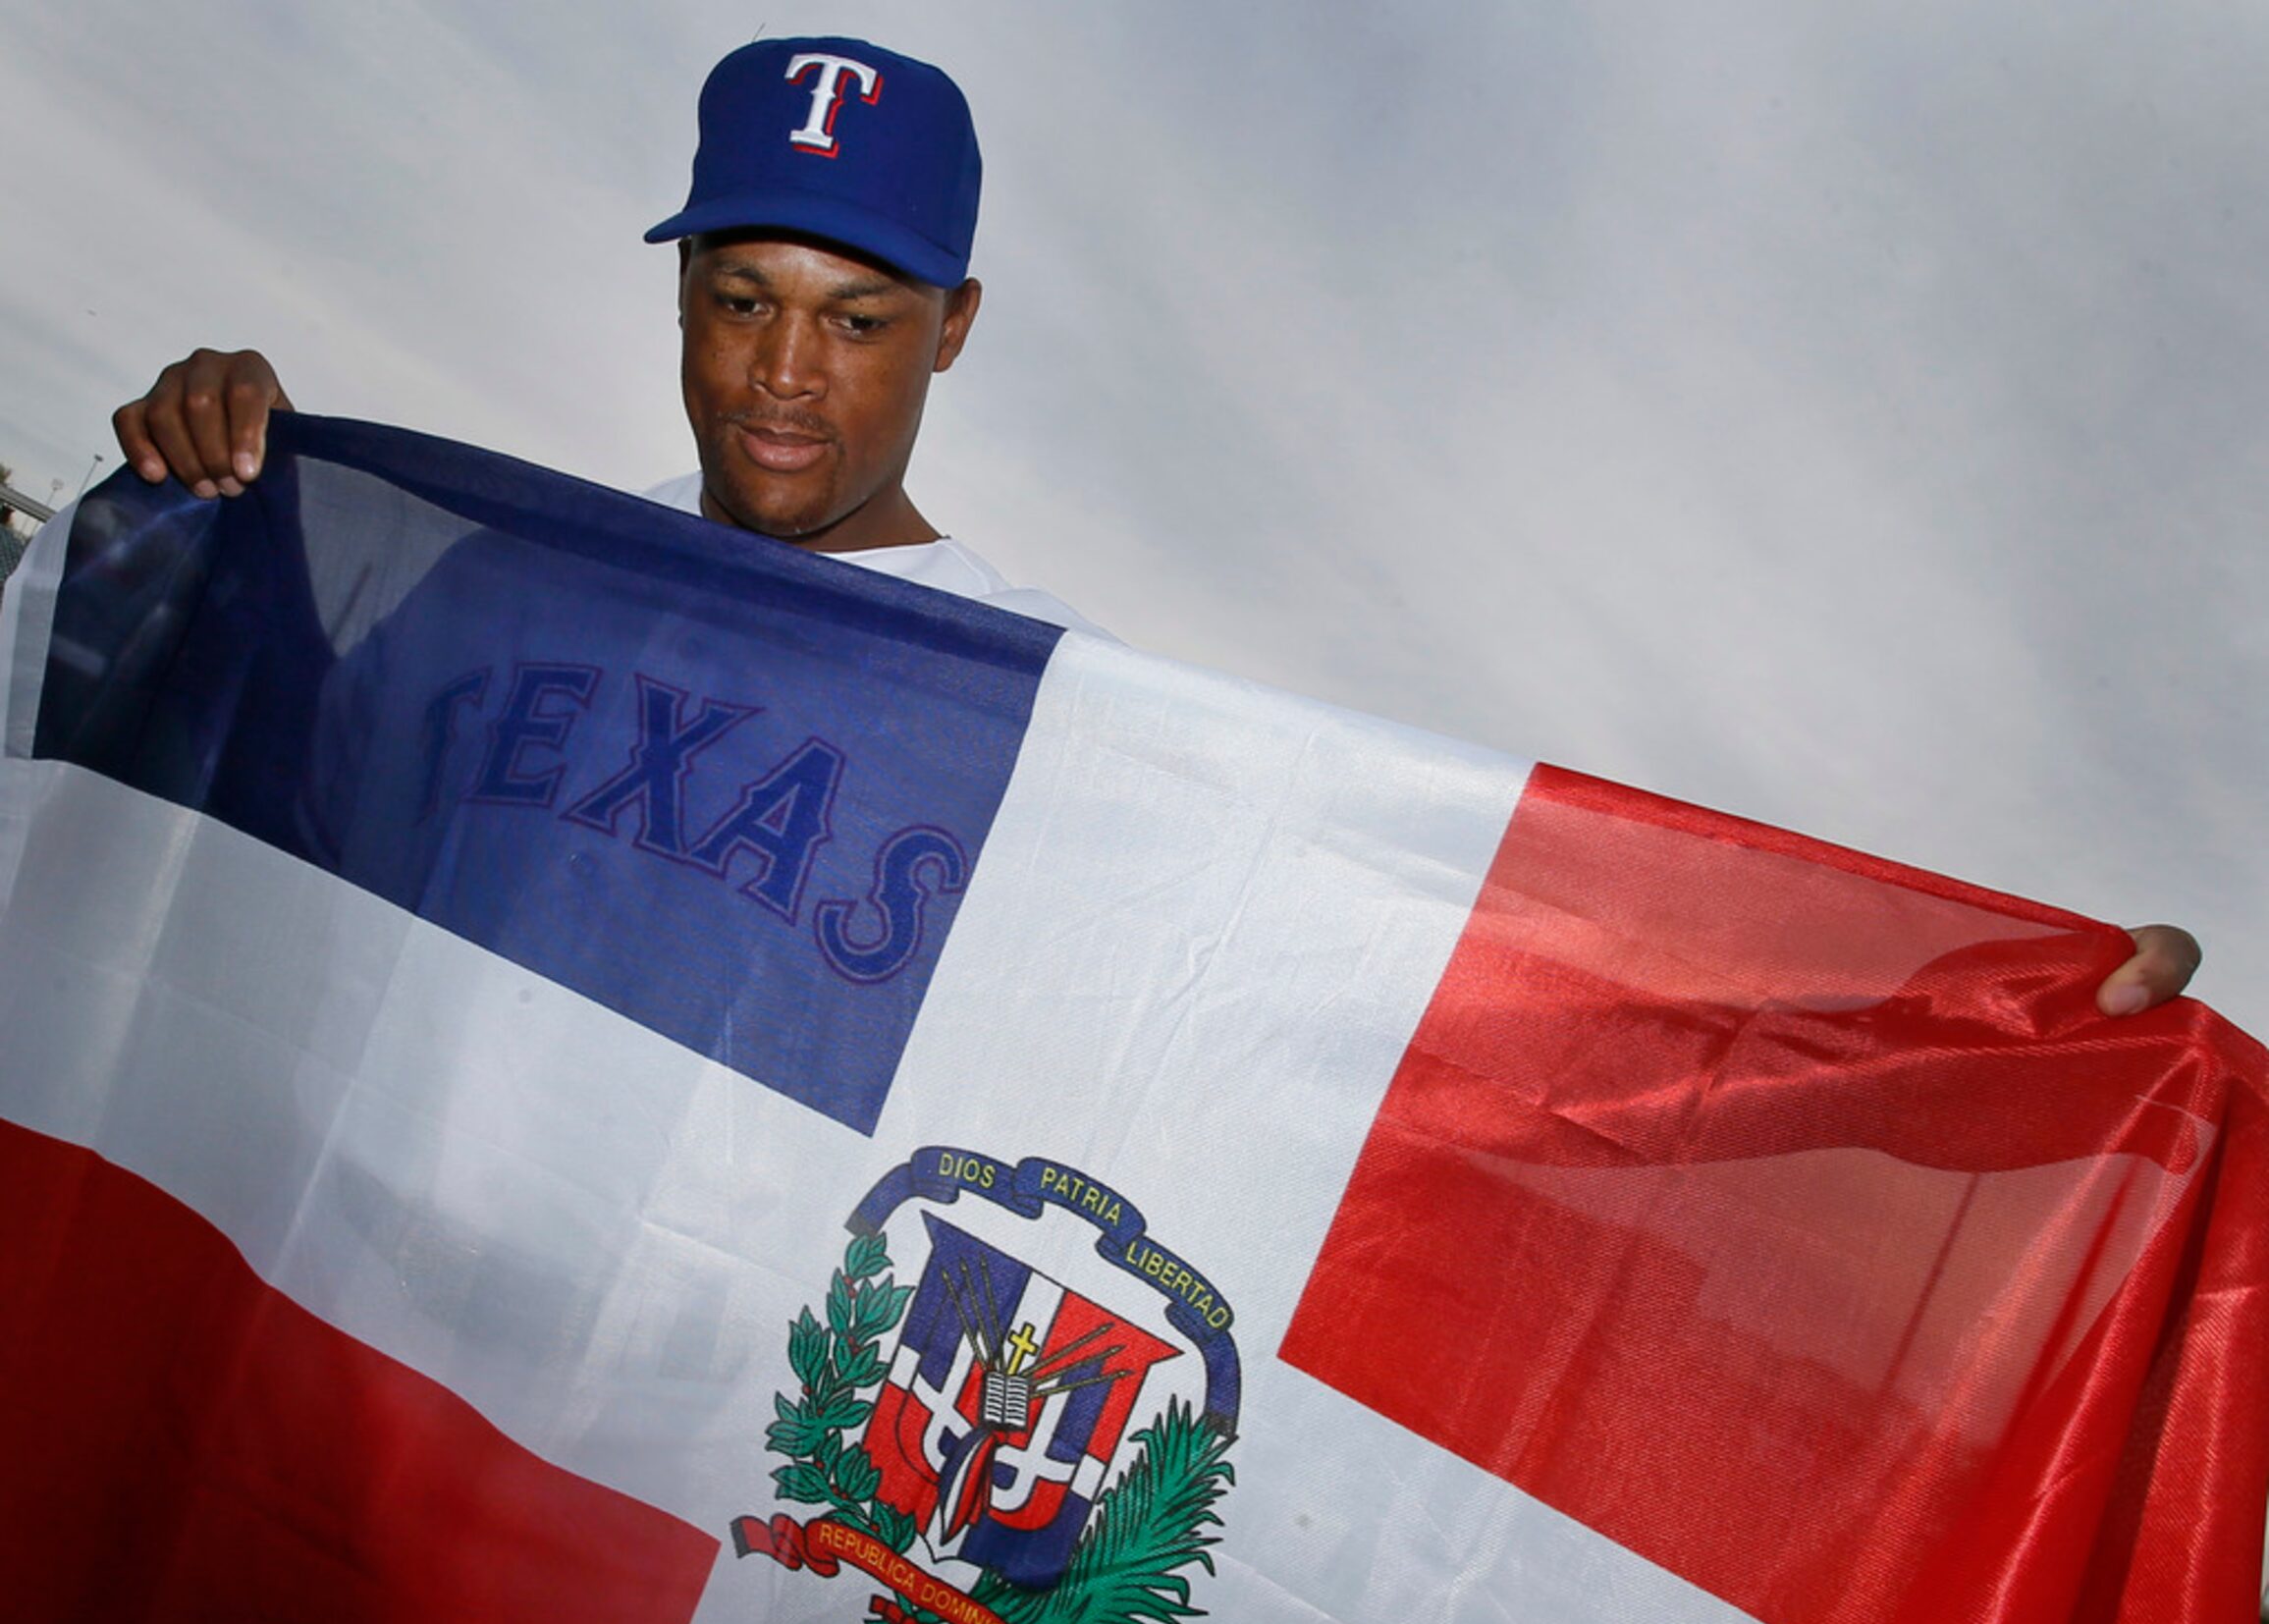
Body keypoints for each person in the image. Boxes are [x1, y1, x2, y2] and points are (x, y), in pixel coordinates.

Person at [105, 33, 2199, 1016]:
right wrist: (216, 513)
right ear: (675, 295)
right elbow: (238, 831)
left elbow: (1448, 983)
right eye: (740, 298)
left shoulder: (1028, 700)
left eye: (856, 318)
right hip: (377, 1393)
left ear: (956, 329)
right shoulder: (500, 579)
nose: (783, 375)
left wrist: (1943, 1005)